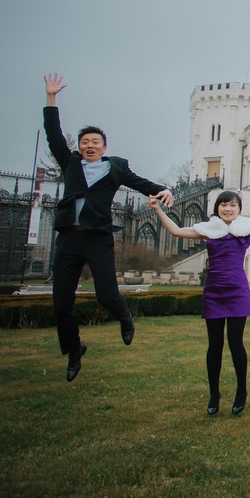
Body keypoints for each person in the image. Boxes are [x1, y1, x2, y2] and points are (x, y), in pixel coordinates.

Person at [43, 73, 173, 382]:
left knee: (106, 295)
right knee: (61, 303)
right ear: (80, 147)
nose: (89, 146)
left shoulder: (115, 168)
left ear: (104, 147)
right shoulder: (71, 163)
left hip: (97, 238)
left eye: (95, 142)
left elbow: (142, 184)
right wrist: (51, 98)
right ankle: (74, 350)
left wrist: (164, 189)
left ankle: (125, 318)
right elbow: (53, 135)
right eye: (85, 142)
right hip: (69, 239)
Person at [149, 190, 250, 415]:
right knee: (214, 345)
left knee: (236, 343)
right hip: (214, 291)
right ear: (217, 208)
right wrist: (158, 209)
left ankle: (241, 391)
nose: (227, 208)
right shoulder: (209, 230)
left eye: (232, 205)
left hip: (237, 290)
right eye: (223, 205)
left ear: (239, 209)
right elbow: (176, 230)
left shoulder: (247, 229)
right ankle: (214, 394)